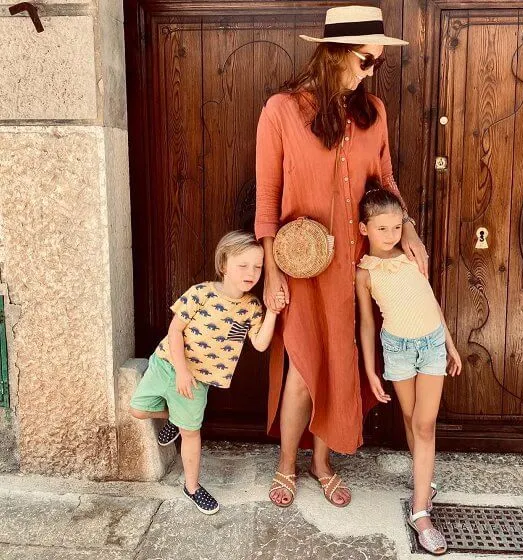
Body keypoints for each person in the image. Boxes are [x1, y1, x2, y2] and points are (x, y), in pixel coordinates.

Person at [255, 5, 429, 508]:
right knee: (304, 370)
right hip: (302, 267)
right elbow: (268, 197)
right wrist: (271, 273)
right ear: (334, 54)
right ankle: (288, 464)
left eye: (376, 62)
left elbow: (386, 181)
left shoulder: (373, 113)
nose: (370, 71)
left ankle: (323, 463)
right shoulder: (282, 111)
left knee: (339, 365)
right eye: (364, 60)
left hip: (355, 267)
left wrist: (408, 229)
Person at [129, 231, 282, 514]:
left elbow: (260, 345)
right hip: (166, 364)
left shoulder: (251, 307)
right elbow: (175, 330)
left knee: (191, 432)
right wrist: (181, 371)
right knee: (138, 409)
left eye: (257, 267)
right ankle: (174, 417)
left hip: (198, 380)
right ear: (224, 265)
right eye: (243, 265)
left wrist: (272, 311)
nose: (251, 273)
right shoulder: (202, 293)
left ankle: (192, 486)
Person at [355, 182, 462, 554]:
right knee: (410, 416)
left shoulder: (412, 256)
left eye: (397, 227)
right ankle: (423, 478)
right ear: (364, 229)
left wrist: (449, 343)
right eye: (382, 228)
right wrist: (370, 369)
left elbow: (429, 301)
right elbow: (367, 324)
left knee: (424, 423)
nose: (390, 235)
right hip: (397, 349)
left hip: (430, 342)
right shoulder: (365, 272)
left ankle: (421, 512)